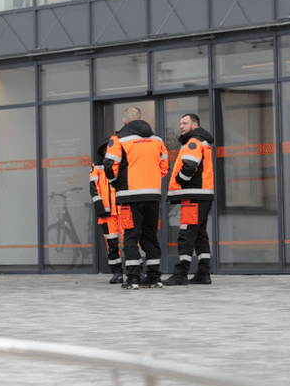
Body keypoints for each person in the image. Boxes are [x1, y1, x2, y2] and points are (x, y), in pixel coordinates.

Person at [104, 106, 168, 289]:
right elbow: (165, 166)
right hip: (153, 195)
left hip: (129, 197)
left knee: (131, 236)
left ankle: (133, 278)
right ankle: (154, 277)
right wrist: (154, 179)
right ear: (142, 119)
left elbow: (109, 165)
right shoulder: (157, 140)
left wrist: (116, 183)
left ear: (125, 121)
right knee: (150, 236)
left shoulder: (118, 139)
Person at [168, 112, 215, 286]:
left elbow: (189, 166)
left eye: (185, 123)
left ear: (195, 125)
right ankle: (204, 273)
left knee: (186, 234)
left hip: (193, 195)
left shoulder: (193, 141)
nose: (181, 126)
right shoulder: (202, 142)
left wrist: (180, 180)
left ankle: (181, 273)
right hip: (202, 195)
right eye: (180, 123)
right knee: (200, 235)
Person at [88, 138, 123, 284]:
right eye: (106, 149)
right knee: (112, 244)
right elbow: (93, 187)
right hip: (107, 214)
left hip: (122, 210)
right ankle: (117, 273)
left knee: (130, 243)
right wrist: (99, 207)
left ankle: (135, 272)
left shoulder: (120, 164)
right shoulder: (96, 166)